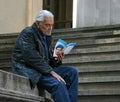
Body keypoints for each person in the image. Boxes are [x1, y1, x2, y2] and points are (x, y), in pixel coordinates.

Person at [12, 10, 78, 102]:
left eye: (52, 25)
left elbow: (48, 59)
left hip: (44, 70)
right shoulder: (28, 33)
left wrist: (57, 58)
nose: (50, 28)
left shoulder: (46, 36)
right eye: (47, 25)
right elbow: (32, 58)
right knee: (58, 84)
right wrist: (51, 72)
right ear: (38, 23)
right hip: (31, 70)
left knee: (72, 72)